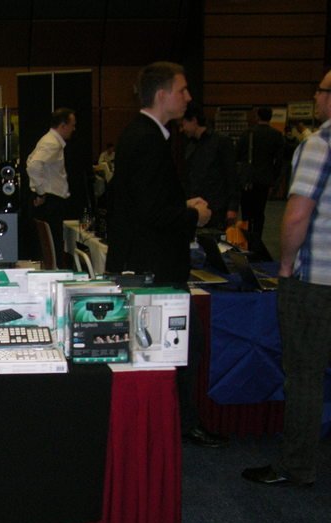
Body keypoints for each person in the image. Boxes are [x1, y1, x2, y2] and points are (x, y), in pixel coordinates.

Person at [105, 62, 224, 449]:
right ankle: (180, 424)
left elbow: (148, 200)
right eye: (182, 90)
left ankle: (177, 423)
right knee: (180, 345)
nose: (188, 97)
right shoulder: (146, 139)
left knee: (180, 345)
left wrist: (182, 205)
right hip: (153, 268)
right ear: (162, 95)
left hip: (151, 263)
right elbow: (151, 212)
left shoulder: (146, 135)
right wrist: (194, 215)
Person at [242, 71, 331, 487]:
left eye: (321, 90)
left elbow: (297, 214)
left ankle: (297, 466)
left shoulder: (320, 144)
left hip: (315, 281)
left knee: (305, 374)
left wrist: (284, 266)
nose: (315, 95)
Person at [26, 108, 78, 267]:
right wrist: (41, 192)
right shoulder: (52, 143)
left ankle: (53, 269)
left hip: (50, 201)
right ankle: (56, 273)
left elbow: (30, 161)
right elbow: (33, 166)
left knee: (50, 246)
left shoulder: (47, 140)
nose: (74, 129)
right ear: (63, 126)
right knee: (53, 246)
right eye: (72, 125)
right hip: (52, 202)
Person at [180, 103, 240, 229]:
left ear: (194, 120)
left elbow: (231, 176)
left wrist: (232, 207)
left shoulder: (221, 142)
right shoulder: (190, 146)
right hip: (196, 207)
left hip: (217, 208)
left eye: (183, 123)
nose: (182, 128)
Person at [237, 107, 284, 242]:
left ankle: (245, 239)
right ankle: (257, 239)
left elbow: (238, 154)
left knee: (246, 211)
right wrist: (274, 178)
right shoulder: (276, 135)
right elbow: (279, 160)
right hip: (264, 179)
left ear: (257, 116)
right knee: (259, 211)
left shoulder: (247, 134)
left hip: (247, 178)